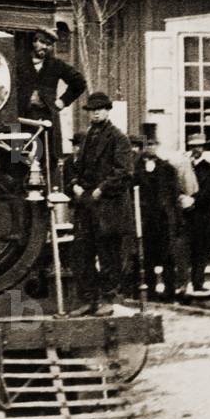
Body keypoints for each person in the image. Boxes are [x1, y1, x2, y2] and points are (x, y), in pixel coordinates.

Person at [67, 92, 133, 316]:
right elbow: (75, 168)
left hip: (108, 206)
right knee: (82, 252)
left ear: (107, 110)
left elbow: (124, 172)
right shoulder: (85, 138)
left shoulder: (118, 138)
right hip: (86, 204)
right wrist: (75, 184)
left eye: (100, 108)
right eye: (92, 109)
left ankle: (108, 298)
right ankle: (88, 299)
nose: (95, 112)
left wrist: (101, 189)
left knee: (108, 254)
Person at [19, 28, 87, 166]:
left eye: (49, 44)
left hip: (46, 121)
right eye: (42, 42)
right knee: (18, 158)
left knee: (47, 160)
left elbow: (79, 83)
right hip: (21, 119)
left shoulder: (56, 65)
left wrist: (62, 102)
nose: (45, 47)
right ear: (34, 41)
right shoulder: (18, 62)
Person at [133, 125, 185, 301]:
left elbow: (174, 196)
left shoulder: (167, 168)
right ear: (143, 147)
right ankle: (150, 292)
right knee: (146, 257)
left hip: (163, 220)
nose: (150, 148)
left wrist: (177, 220)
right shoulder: (135, 170)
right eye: (147, 144)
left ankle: (169, 292)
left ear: (157, 146)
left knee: (167, 257)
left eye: (153, 144)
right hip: (144, 220)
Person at [184, 133, 210, 292]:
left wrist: (194, 200)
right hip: (186, 215)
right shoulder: (182, 166)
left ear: (203, 148)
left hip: (203, 215)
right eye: (193, 146)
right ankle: (183, 283)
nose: (196, 150)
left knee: (203, 248)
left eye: (199, 146)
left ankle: (198, 282)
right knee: (186, 249)